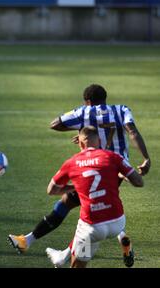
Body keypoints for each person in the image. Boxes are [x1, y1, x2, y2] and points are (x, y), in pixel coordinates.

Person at [8, 84, 150, 267]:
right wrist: (146, 158)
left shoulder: (85, 112)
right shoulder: (121, 109)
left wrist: (84, 131)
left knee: (74, 205)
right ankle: (122, 239)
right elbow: (132, 131)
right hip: (118, 168)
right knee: (104, 205)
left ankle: (29, 242)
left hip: (94, 166)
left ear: (87, 101)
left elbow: (55, 124)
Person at [45, 126, 143, 268]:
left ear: (80, 143)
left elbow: (51, 190)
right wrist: (122, 173)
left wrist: (75, 186)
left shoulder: (72, 162)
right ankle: (62, 256)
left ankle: (62, 258)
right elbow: (138, 182)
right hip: (117, 222)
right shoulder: (112, 156)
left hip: (92, 227)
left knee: (81, 252)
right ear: (98, 141)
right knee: (93, 232)